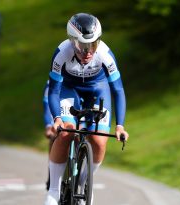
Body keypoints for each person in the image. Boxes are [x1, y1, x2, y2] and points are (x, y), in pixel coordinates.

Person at [44, 13, 130, 205]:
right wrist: (57, 118)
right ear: (72, 41)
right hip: (69, 89)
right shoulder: (61, 53)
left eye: (94, 44)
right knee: (67, 131)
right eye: (83, 46)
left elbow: (118, 90)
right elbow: (54, 90)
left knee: (99, 140)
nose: (89, 51)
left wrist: (120, 125)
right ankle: (54, 190)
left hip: (97, 90)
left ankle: (83, 183)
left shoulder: (106, 55)